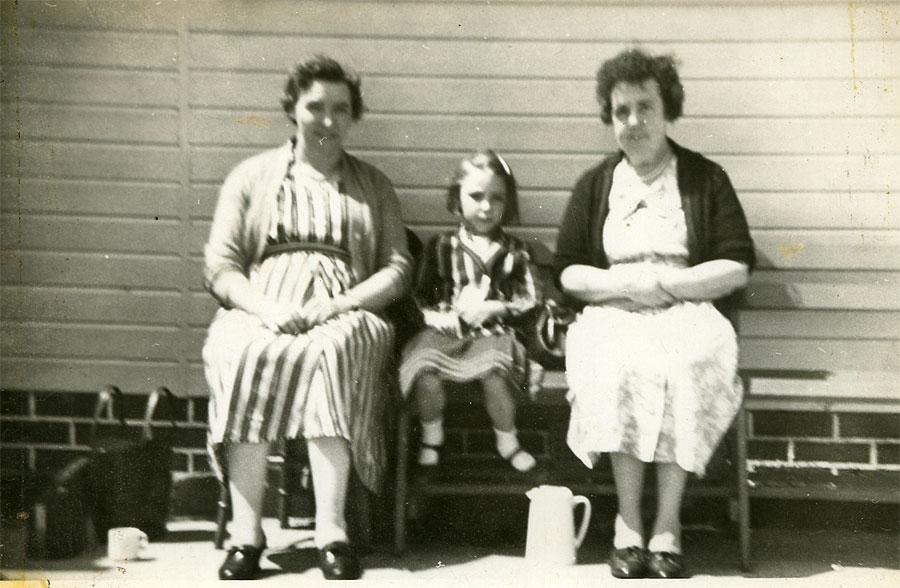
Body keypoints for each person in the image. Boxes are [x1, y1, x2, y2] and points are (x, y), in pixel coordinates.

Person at [201, 55, 411, 581]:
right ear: (292, 111)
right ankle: (246, 535)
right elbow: (221, 267)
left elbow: (397, 268)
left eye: (340, 109)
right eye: (314, 106)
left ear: (353, 115)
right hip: (264, 303)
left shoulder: (373, 184)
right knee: (242, 350)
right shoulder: (250, 177)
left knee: (330, 353)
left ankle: (332, 533)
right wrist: (266, 307)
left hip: (346, 305)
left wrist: (340, 304)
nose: (327, 119)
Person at [554, 48, 755, 579]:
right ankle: (627, 524)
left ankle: (667, 525)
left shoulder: (704, 177)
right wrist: (623, 284)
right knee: (616, 366)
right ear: (610, 118)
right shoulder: (595, 184)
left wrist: (666, 283)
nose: (634, 121)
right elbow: (569, 271)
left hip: (687, 306)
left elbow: (736, 264)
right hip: (613, 309)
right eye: (622, 111)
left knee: (681, 368)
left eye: (645, 107)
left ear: (668, 111)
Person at [399, 150, 539, 474]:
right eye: (476, 196)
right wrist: (435, 316)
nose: (487, 207)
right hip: (446, 332)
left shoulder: (516, 251)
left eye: (497, 198)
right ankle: (432, 437)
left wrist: (498, 306)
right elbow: (419, 295)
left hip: (493, 334)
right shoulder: (441, 247)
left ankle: (508, 441)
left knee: (494, 376)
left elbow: (531, 298)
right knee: (425, 372)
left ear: (508, 203)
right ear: (456, 199)